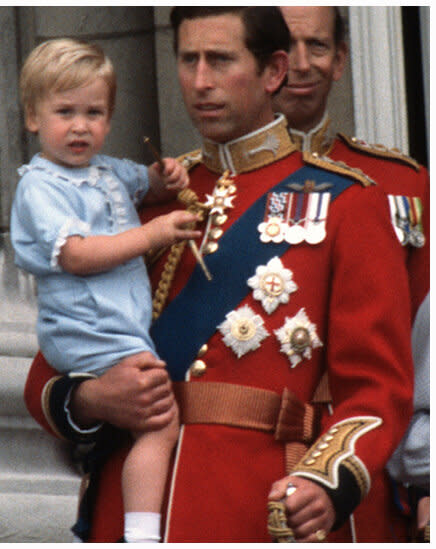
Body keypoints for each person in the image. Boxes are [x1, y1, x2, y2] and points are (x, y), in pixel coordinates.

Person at [22, 6, 414, 542]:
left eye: (220, 60)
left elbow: (376, 390)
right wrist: (93, 399)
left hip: (260, 505)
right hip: (135, 513)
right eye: (189, 60)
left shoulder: (347, 202)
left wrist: (326, 482)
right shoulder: (138, 207)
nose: (200, 82)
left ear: (273, 71)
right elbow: (53, 359)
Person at [12, 38, 199, 543]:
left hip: (115, 323)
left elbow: (150, 185)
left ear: (110, 119)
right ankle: (141, 534)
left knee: (151, 422)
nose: (79, 125)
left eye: (94, 112)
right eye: (64, 111)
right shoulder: (39, 185)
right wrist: (152, 235)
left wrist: (168, 175)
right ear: (32, 117)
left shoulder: (108, 171)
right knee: (159, 423)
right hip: (88, 327)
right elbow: (75, 254)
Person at [271, 7, 429, 540]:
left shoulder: (401, 185)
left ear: (340, 60)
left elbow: (427, 347)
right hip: (249, 460)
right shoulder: (197, 185)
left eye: (317, 47)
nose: (300, 64)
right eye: (286, 46)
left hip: (374, 476)